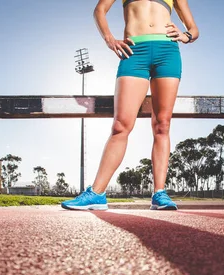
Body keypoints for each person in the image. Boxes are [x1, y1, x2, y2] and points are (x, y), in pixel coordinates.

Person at [62, 0, 199, 211]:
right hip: (135, 52)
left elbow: (194, 29)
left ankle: (159, 193)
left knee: (162, 124)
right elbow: (99, 10)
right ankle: (97, 193)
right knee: (120, 125)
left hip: (168, 52)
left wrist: (186, 36)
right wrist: (109, 38)